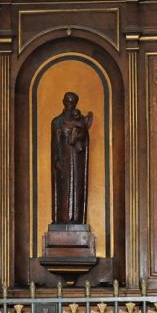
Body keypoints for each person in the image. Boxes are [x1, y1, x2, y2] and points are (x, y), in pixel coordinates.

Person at [51, 92, 93, 224]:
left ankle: (76, 218)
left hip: (77, 160)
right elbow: (56, 142)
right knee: (63, 189)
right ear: (64, 102)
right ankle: (62, 218)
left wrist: (78, 134)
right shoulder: (57, 121)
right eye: (68, 101)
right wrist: (57, 159)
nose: (70, 104)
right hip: (64, 159)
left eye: (73, 102)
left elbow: (84, 138)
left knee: (77, 187)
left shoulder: (80, 121)